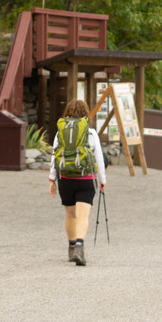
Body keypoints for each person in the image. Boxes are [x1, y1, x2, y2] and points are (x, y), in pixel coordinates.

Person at [48, 99, 106, 266]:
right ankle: (80, 246)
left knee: (70, 214)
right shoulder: (91, 132)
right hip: (85, 179)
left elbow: (55, 157)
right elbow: (99, 159)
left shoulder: (60, 133)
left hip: (65, 180)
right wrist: (102, 180)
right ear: (86, 113)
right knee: (83, 215)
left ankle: (71, 247)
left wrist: (52, 179)